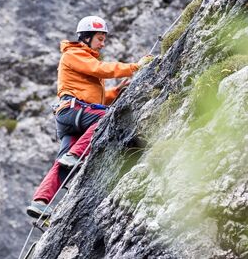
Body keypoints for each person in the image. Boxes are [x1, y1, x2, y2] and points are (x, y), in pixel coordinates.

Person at [26, 15, 153, 219]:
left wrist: (115, 92)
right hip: (75, 111)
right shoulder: (74, 54)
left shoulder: (82, 58)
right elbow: (99, 69)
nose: (103, 43)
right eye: (100, 38)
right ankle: (75, 154)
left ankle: (40, 201)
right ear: (87, 37)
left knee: (62, 163)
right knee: (106, 118)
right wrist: (134, 67)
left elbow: (92, 95)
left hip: (74, 115)